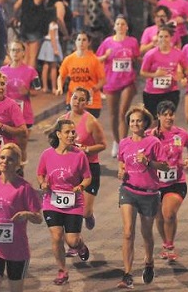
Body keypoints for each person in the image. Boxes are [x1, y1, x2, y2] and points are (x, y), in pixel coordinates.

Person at [0, 143, 43, 292]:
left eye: (10, 159)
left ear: (17, 164)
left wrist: (27, 214)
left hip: (17, 249)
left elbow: (39, 218)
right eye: (2, 157)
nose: (5, 162)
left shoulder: (25, 188)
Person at [116, 105, 168, 288]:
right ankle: (127, 273)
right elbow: (122, 163)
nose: (135, 123)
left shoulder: (153, 142)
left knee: (146, 233)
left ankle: (149, 261)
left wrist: (148, 162)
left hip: (149, 193)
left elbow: (165, 166)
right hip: (128, 190)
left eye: (138, 120)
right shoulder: (124, 143)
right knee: (128, 231)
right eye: (132, 121)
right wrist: (121, 172)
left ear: (145, 122)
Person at [37, 119, 92, 285]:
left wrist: (81, 186)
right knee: (56, 236)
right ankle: (62, 271)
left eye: (73, 132)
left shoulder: (79, 155)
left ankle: (80, 245)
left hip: (73, 203)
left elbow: (88, 177)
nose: (71, 135)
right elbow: (40, 173)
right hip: (52, 201)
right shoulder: (47, 154)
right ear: (58, 134)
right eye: (67, 132)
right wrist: (43, 184)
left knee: (72, 241)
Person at [59, 88, 106, 255]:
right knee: (71, 208)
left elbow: (102, 145)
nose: (77, 102)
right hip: (71, 170)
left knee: (84, 211)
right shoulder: (63, 120)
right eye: (74, 97)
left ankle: (89, 215)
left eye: (81, 99)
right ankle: (76, 243)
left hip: (90, 168)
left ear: (87, 103)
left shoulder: (91, 121)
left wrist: (86, 150)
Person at [148, 100, 188, 262]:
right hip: (155, 185)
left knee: (169, 213)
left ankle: (170, 245)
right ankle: (166, 243)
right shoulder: (150, 135)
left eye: (171, 114)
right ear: (158, 116)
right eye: (165, 114)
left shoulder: (180, 134)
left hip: (177, 182)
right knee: (159, 218)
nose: (169, 117)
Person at [96, 15, 140, 157]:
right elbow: (96, 60)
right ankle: (116, 141)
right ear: (114, 27)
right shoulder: (107, 42)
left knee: (123, 112)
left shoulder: (132, 42)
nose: (120, 26)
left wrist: (136, 59)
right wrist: (105, 56)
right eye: (118, 24)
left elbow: (137, 59)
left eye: (123, 24)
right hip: (111, 81)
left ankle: (123, 145)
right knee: (113, 115)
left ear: (127, 27)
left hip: (128, 81)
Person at [140, 24, 188, 119]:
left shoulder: (178, 54)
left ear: (171, 38)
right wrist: (155, 74)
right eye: (161, 36)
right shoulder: (150, 54)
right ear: (157, 37)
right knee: (153, 121)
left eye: (166, 36)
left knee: (166, 119)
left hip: (171, 92)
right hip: (152, 92)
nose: (163, 39)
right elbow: (142, 72)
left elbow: (187, 69)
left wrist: (182, 77)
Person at [56, 32, 106, 118]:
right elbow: (61, 76)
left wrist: (93, 89)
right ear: (75, 42)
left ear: (88, 43)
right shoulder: (69, 59)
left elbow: (103, 80)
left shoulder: (94, 60)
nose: (81, 42)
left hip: (91, 102)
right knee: (73, 127)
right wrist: (59, 88)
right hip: (73, 99)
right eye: (79, 39)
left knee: (88, 128)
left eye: (84, 40)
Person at [14, 0, 58, 69]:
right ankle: (29, 81)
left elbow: (15, 7)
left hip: (24, 29)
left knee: (25, 57)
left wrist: (16, 17)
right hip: (34, 29)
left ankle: (22, 79)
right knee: (33, 58)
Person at [0, 40, 39, 134]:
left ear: (23, 53)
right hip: (6, 114)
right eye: (13, 50)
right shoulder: (2, 71)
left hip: (24, 115)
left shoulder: (31, 71)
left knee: (21, 147)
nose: (15, 53)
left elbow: (36, 91)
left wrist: (27, 92)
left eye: (18, 50)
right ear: (9, 52)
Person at [37, 15, 63, 93]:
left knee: (46, 66)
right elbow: (53, 37)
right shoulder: (53, 25)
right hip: (52, 45)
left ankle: (45, 87)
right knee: (53, 67)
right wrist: (55, 49)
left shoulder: (47, 23)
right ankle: (53, 87)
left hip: (46, 44)